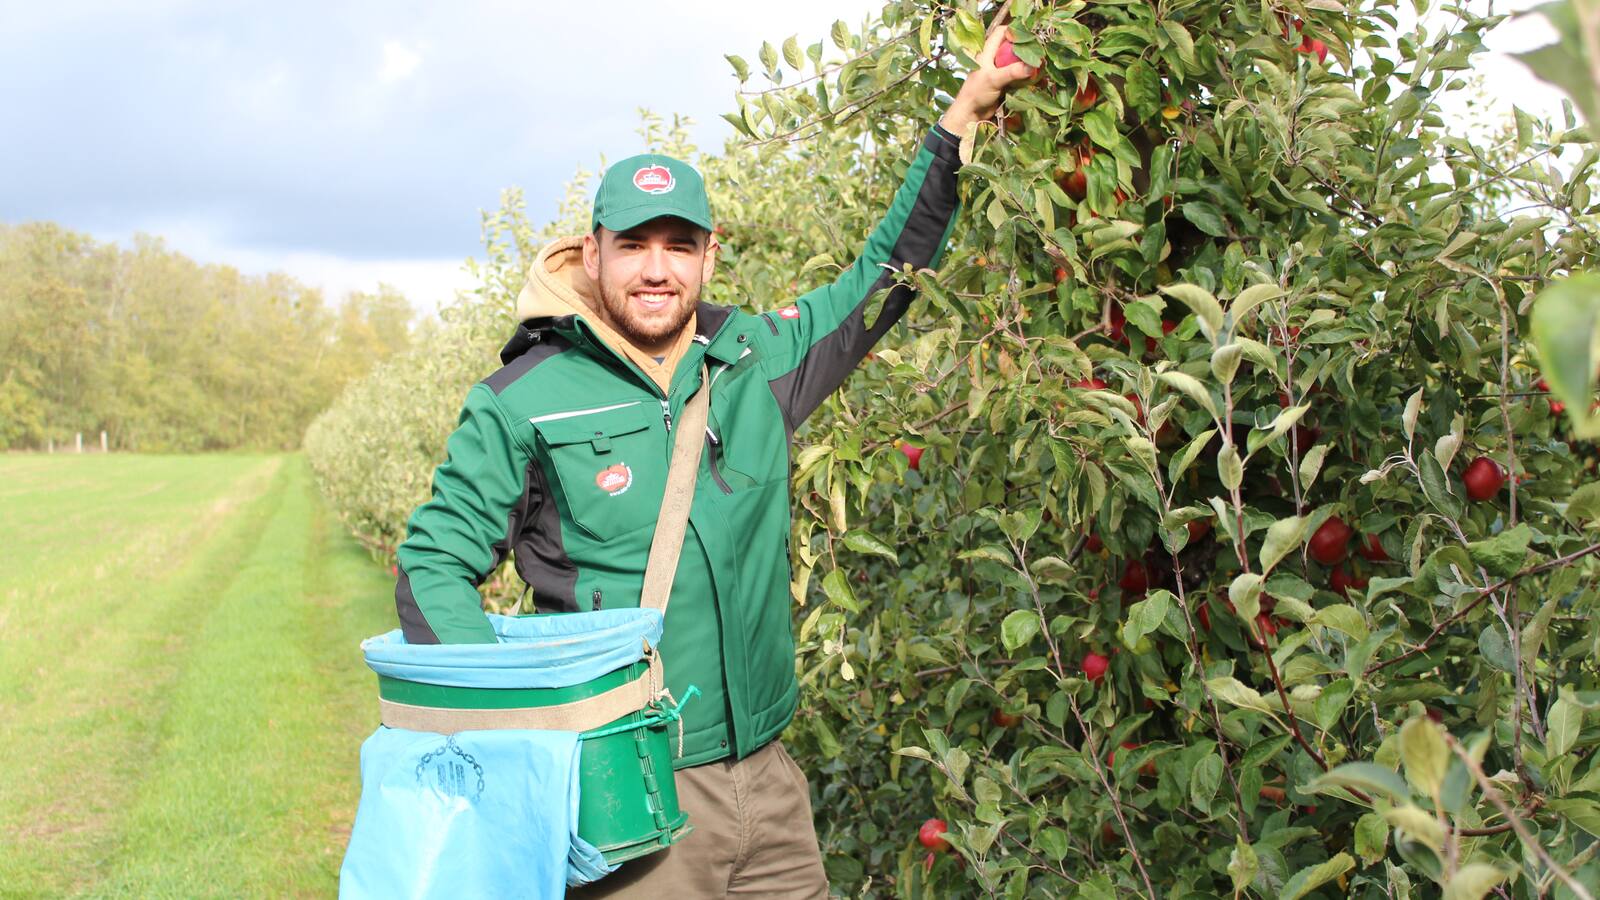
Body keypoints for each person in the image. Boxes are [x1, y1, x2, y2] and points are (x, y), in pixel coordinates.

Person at [392, 22, 1036, 899]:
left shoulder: (754, 361)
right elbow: (432, 563)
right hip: (629, 797)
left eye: (679, 245)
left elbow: (882, 279)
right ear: (594, 255)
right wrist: (513, 733)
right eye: (634, 245)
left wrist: (962, 113)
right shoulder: (525, 398)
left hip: (768, 786)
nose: (657, 270)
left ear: (708, 253)